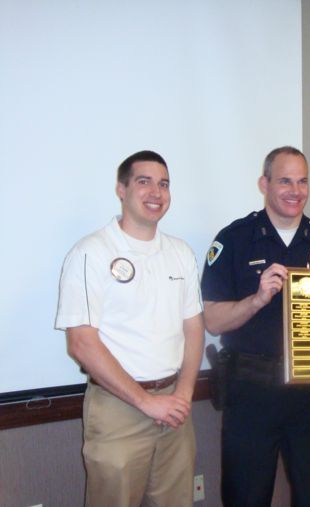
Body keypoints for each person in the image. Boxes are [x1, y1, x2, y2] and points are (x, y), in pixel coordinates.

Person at [201, 146, 310, 507]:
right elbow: (213, 319)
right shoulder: (234, 239)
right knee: (247, 496)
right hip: (252, 391)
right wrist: (256, 299)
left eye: (302, 181)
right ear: (264, 183)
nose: (295, 190)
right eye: (285, 180)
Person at [55, 150, 205, 507]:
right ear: (121, 190)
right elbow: (81, 344)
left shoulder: (180, 252)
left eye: (164, 184)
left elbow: (194, 328)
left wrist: (183, 394)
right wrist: (145, 402)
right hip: (118, 409)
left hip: (174, 407)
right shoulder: (91, 253)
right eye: (144, 181)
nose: (156, 192)